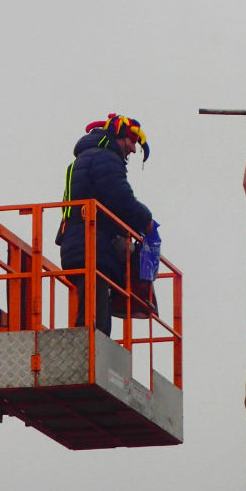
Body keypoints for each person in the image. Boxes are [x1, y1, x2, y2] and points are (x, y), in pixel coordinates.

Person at [58, 113, 155, 335]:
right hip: (91, 246)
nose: (132, 149)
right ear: (119, 136)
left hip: (84, 243)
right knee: (96, 320)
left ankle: (89, 348)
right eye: (131, 141)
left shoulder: (90, 157)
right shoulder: (105, 158)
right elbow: (121, 199)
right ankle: (89, 351)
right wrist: (146, 221)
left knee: (94, 303)